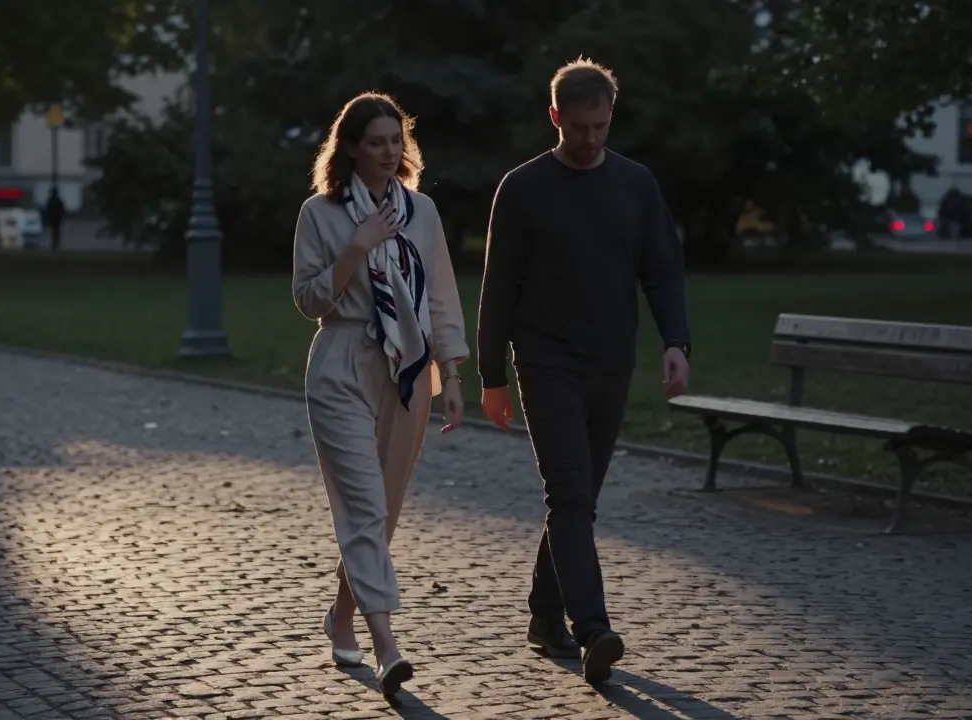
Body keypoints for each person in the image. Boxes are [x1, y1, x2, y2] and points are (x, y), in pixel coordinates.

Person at [476, 59, 692, 684]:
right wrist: (492, 376)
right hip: (545, 361)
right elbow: (496, 290)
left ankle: (544, 616)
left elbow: (662, 270)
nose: (591, 138)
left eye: (601, 126)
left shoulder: (636, 185)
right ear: (554, 119)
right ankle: (592, 629)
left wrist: (676, 341)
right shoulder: (522, 189)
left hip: (610, 361)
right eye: (579, 127)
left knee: (580, 498)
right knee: (569, 494)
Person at [292, 92, 469, 699]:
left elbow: (441, 297)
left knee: (381, 512)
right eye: (376, 142)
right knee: (364, 507)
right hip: (341, 363)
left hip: (408, 371)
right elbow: (310, 299)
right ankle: (386, 644)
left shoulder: (423, 212)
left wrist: (451, 376)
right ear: (351, 149)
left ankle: (340, 616)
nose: (389, 152)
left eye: (396, 141)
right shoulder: (321, 213)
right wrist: (357, 245)